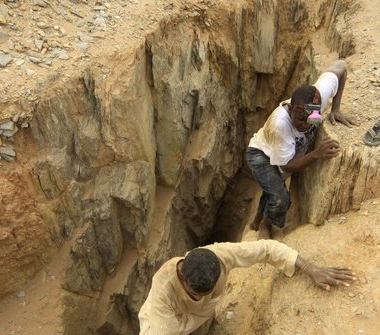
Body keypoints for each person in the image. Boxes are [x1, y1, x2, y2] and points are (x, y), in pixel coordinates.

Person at [138, 240, 355, 335]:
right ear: (183, 279)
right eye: (198, 294)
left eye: (211, 291)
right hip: (167, 323)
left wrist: (310, 267)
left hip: (200, 318)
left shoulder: (219, 255)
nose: (209, 295)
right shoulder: (162, 295)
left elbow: (266, 249)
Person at [246, 60, 358, 238]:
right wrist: (316, 154)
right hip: (261, 154)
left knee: (274, 186)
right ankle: (265, 226)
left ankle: (258, 219)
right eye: (299, 119)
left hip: (284, 151)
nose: (305, 125)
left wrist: (335, 108)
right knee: (280, 197)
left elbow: (341, 67)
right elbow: (288, 167)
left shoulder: (317, 100)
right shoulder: (279, 126)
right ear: (290, 108)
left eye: (310, 119)